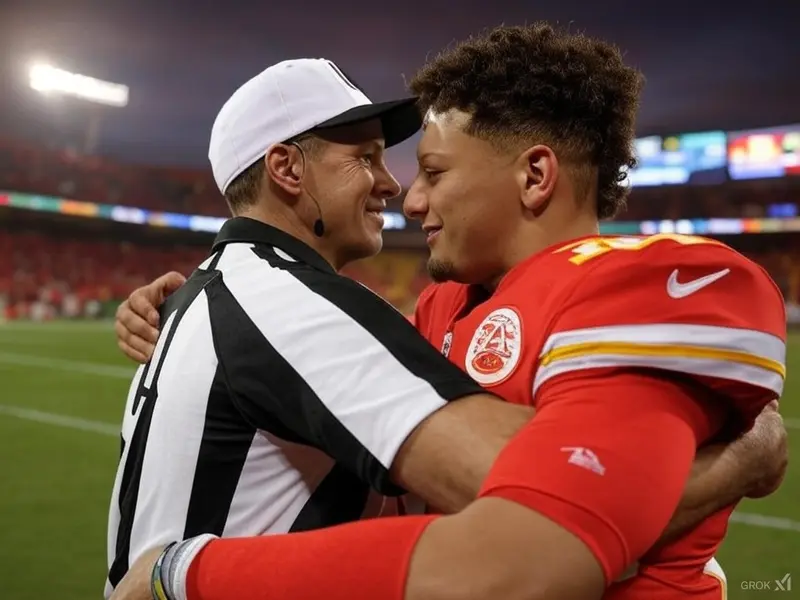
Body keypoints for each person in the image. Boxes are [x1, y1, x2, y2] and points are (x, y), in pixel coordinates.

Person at [111, 24, 788, 600]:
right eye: (375, 160)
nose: (404, 194)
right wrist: (742, 458)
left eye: (431, 172)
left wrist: (180, 573)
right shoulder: (426, 305)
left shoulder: (654, 285)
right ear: (286, 171)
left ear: (534, 175)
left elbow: (539, 536)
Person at [105, 56, 543, 598]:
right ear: (286, 169)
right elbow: (541, 485)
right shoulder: (286, 303)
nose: (391, 185)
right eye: (365, 158)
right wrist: (670, 457)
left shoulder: (214, 293)